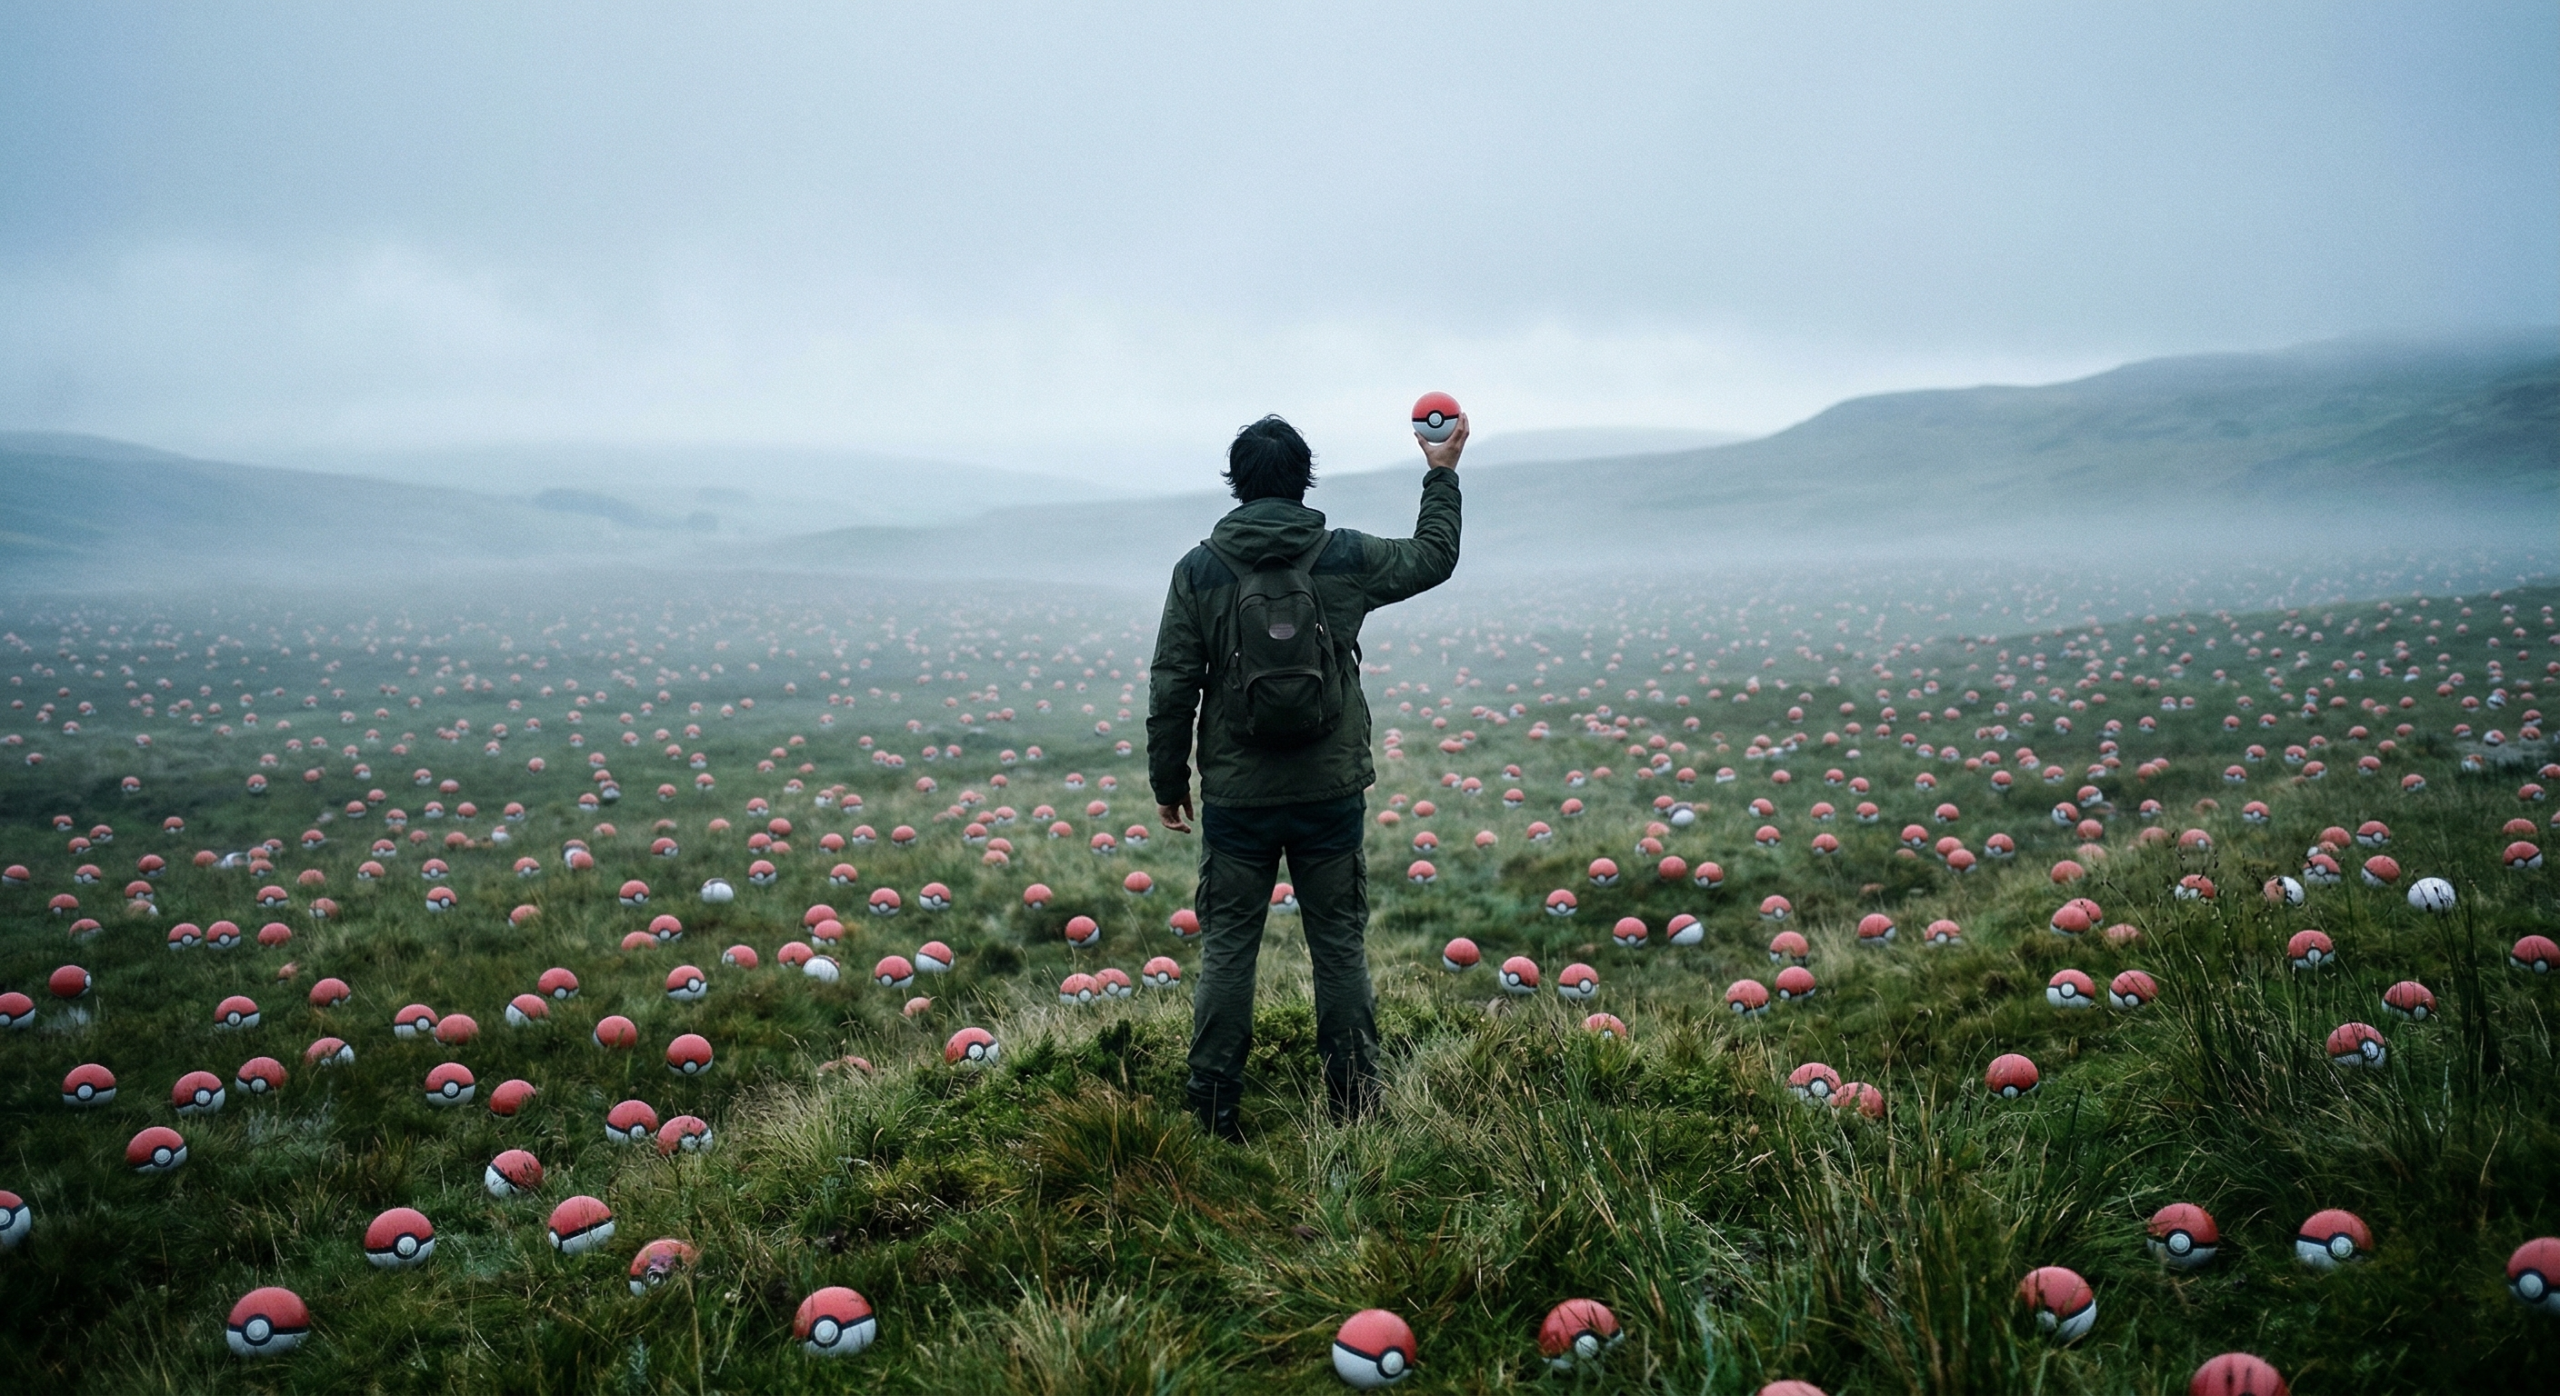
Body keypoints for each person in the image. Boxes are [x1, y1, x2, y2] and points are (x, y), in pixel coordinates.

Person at [1148, 410, 1467, 1140]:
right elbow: (1433, 556)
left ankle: (1214, 1110)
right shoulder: (1343, 556)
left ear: (1236, 483)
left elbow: (1172, 686)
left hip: (1238, 798)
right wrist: (1441, 474)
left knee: (1229, 949)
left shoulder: (1199, 570)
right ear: (1304, 479)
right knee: (1339, 948)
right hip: (1329, 792)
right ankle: (1354, 1105)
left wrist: (1169, 783)